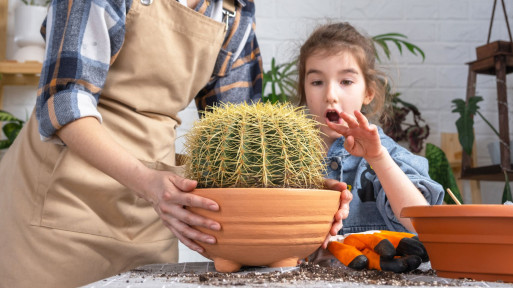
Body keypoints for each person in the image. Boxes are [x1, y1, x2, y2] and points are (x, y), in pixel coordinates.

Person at [0, 1, 351, 287]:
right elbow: (63, 100)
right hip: (59, 201)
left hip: (152, 211)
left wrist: (308, 193)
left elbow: (240, 143)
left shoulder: (234, 11)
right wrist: (148, 184)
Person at [297, 22, 444, 235]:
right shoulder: (285, 156)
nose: (330, 94)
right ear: (304, 89)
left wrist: (377, 158)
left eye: (346, 81)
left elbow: (420, 224)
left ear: (368, 93)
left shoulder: (387, 154)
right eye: (317, 82)